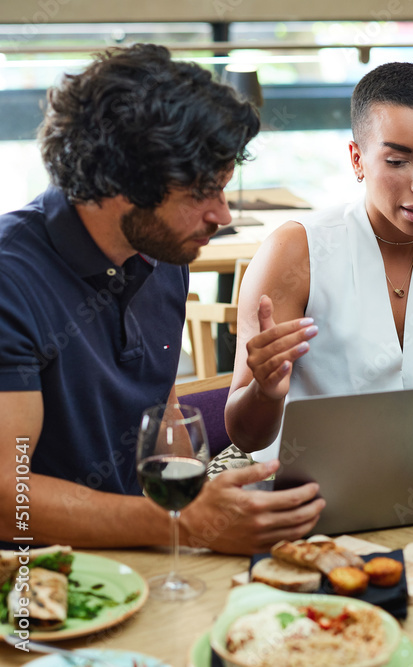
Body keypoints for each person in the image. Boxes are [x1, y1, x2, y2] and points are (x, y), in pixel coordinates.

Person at [0, 44, 325, 555]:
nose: (222, 215)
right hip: (37, 573)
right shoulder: (10, 279)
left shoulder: (164, 253)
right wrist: (185, 525)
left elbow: (162, 410)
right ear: (122, 180)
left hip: (146, 553)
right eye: (200, 192)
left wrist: (200, 501)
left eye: (223, 188)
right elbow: (8, 498)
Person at [225, 62, 413, 456]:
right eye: (397, 161)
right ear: (357, 160)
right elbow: (245, 437)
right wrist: (265, 392)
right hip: (304, 485)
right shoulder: (294, 252)